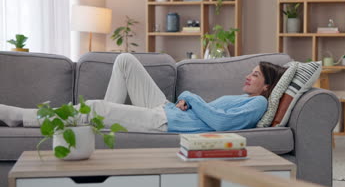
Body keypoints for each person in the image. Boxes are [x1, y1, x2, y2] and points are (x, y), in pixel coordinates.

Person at [0, 53, 286, 133]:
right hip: (169, 110)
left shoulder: (258, 105)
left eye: (256, 75)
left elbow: (221, 124)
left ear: (267, 87)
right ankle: (102, 123)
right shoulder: (246, 99)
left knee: (98, 108)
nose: (248, 76)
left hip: (167, 122)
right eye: (251, 72)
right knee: (125, 60)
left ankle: (20, 117)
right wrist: (187, 102)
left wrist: (192, 97)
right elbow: (212, 114)